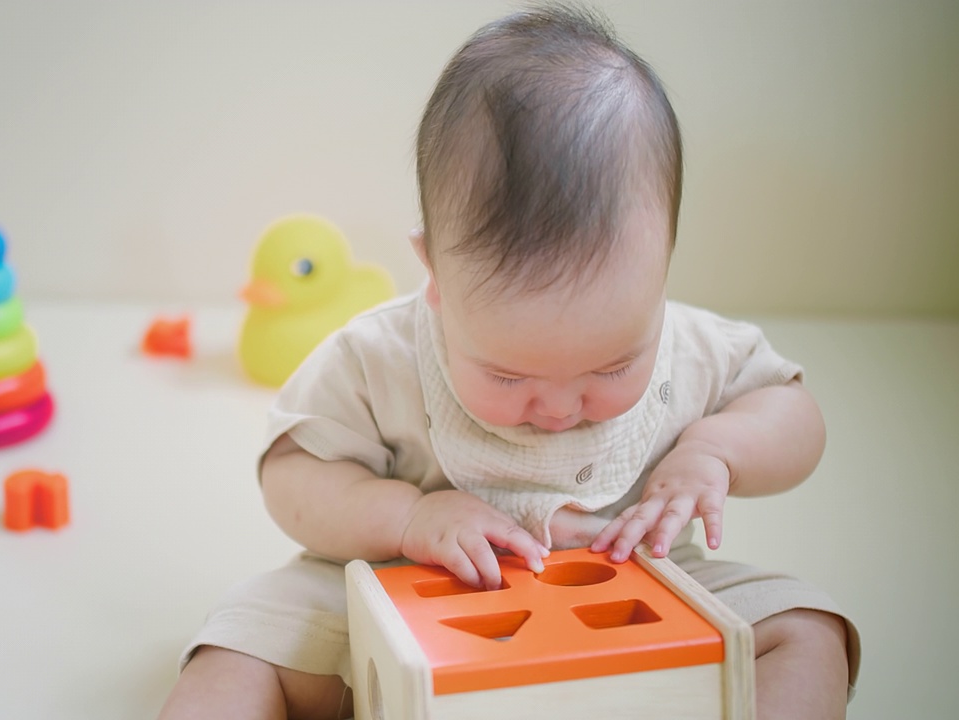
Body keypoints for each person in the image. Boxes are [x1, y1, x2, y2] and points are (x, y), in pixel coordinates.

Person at [159, 6, 859, 719]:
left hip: (647, 597)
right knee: (241, 644)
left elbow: (795, 413)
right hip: (398, 591)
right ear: (434, 271)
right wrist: (407, 518)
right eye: (507, 376)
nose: (558, 408)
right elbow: (292, 473)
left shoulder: (696, 348)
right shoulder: (379, 357)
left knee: (807, 631)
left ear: (662, 273)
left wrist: (717, 452)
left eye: (611, 367)